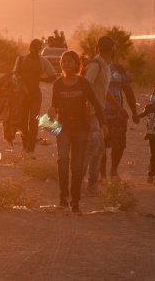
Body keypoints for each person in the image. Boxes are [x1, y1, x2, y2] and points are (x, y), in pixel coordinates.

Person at [47, 51, 105, 214]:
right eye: (64, 62)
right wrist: (51, 110)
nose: (66, 64)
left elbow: (96, 104)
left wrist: (103, 124)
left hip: (81, 129)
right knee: (63, 161)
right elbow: (54, 104)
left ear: (77, 64)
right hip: (63, 129)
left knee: (77, 167)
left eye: (70, 62)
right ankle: (63, 198)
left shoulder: (84, 83)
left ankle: (75, 203)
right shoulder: (57, 84)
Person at [100, 40, 138, 180]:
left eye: (109, 48)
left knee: (119, 143)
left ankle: (113, 170)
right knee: (101, 145)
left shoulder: (119, 69)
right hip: (99, 113)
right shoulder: (94, 68)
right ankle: (102, 173)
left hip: (117, 114)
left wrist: (134, 111)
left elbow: (128, 91)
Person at [15, 38, 58, 158]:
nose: (35, 49)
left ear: (40, 49)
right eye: (33, 47)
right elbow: (14, 76)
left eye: (37, 48)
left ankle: (30, 150)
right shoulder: (21, 59)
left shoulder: (42, 61)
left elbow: (53, 76)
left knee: (33, 123)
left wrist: (39, 79)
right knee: (22, 123)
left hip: (35, 95)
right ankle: (26, 145)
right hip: (22, 96)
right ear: (29, 47)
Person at [82, 37, 112, 196]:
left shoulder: (104, 66)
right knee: (91, 148)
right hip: (91, 113)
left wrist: (118, 108)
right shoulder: (95, 65)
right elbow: (86, 87)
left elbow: (102, 92)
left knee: (98, 149)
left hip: (99, 113)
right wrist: (87, 111)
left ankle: (91, 184)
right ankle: (82, 182)